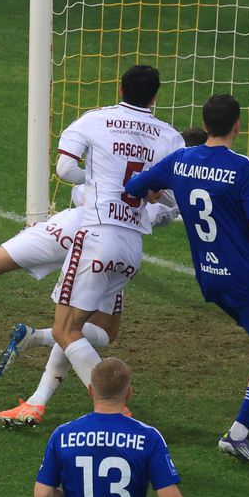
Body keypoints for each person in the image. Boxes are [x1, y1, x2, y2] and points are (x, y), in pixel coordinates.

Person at [0, 128, 208, 429]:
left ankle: (37, 378)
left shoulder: (145, 166)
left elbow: (79, 182)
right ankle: (108, 407)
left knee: (99, 331)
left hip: (96, 239)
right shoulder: (178, 194)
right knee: (70, 328)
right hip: (106, 245)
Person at [126, 94, 249, 465]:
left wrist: (154, 192)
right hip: (244, 276)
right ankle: (238, 432)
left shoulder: (182, 158)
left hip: (209, 276)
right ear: (237, 124)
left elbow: (137, 186)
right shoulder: (241, 166)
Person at [46, 65, 184, 396]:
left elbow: (65, 169)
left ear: (120, 90)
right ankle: (43, 397)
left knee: (64, 330)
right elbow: (176, 197)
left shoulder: (93, 120)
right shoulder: (169, 136)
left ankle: (112, 399)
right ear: (154, 97)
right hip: (132, 247)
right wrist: (153, 189)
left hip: (96, 236)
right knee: (88, 328)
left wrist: (93, 182)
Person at [34, 357, 212, 497]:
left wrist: (84, 496)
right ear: (129, 393)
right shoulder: (148, 437)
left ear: (90, 390)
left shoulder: (63, 435)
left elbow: (43, 495)